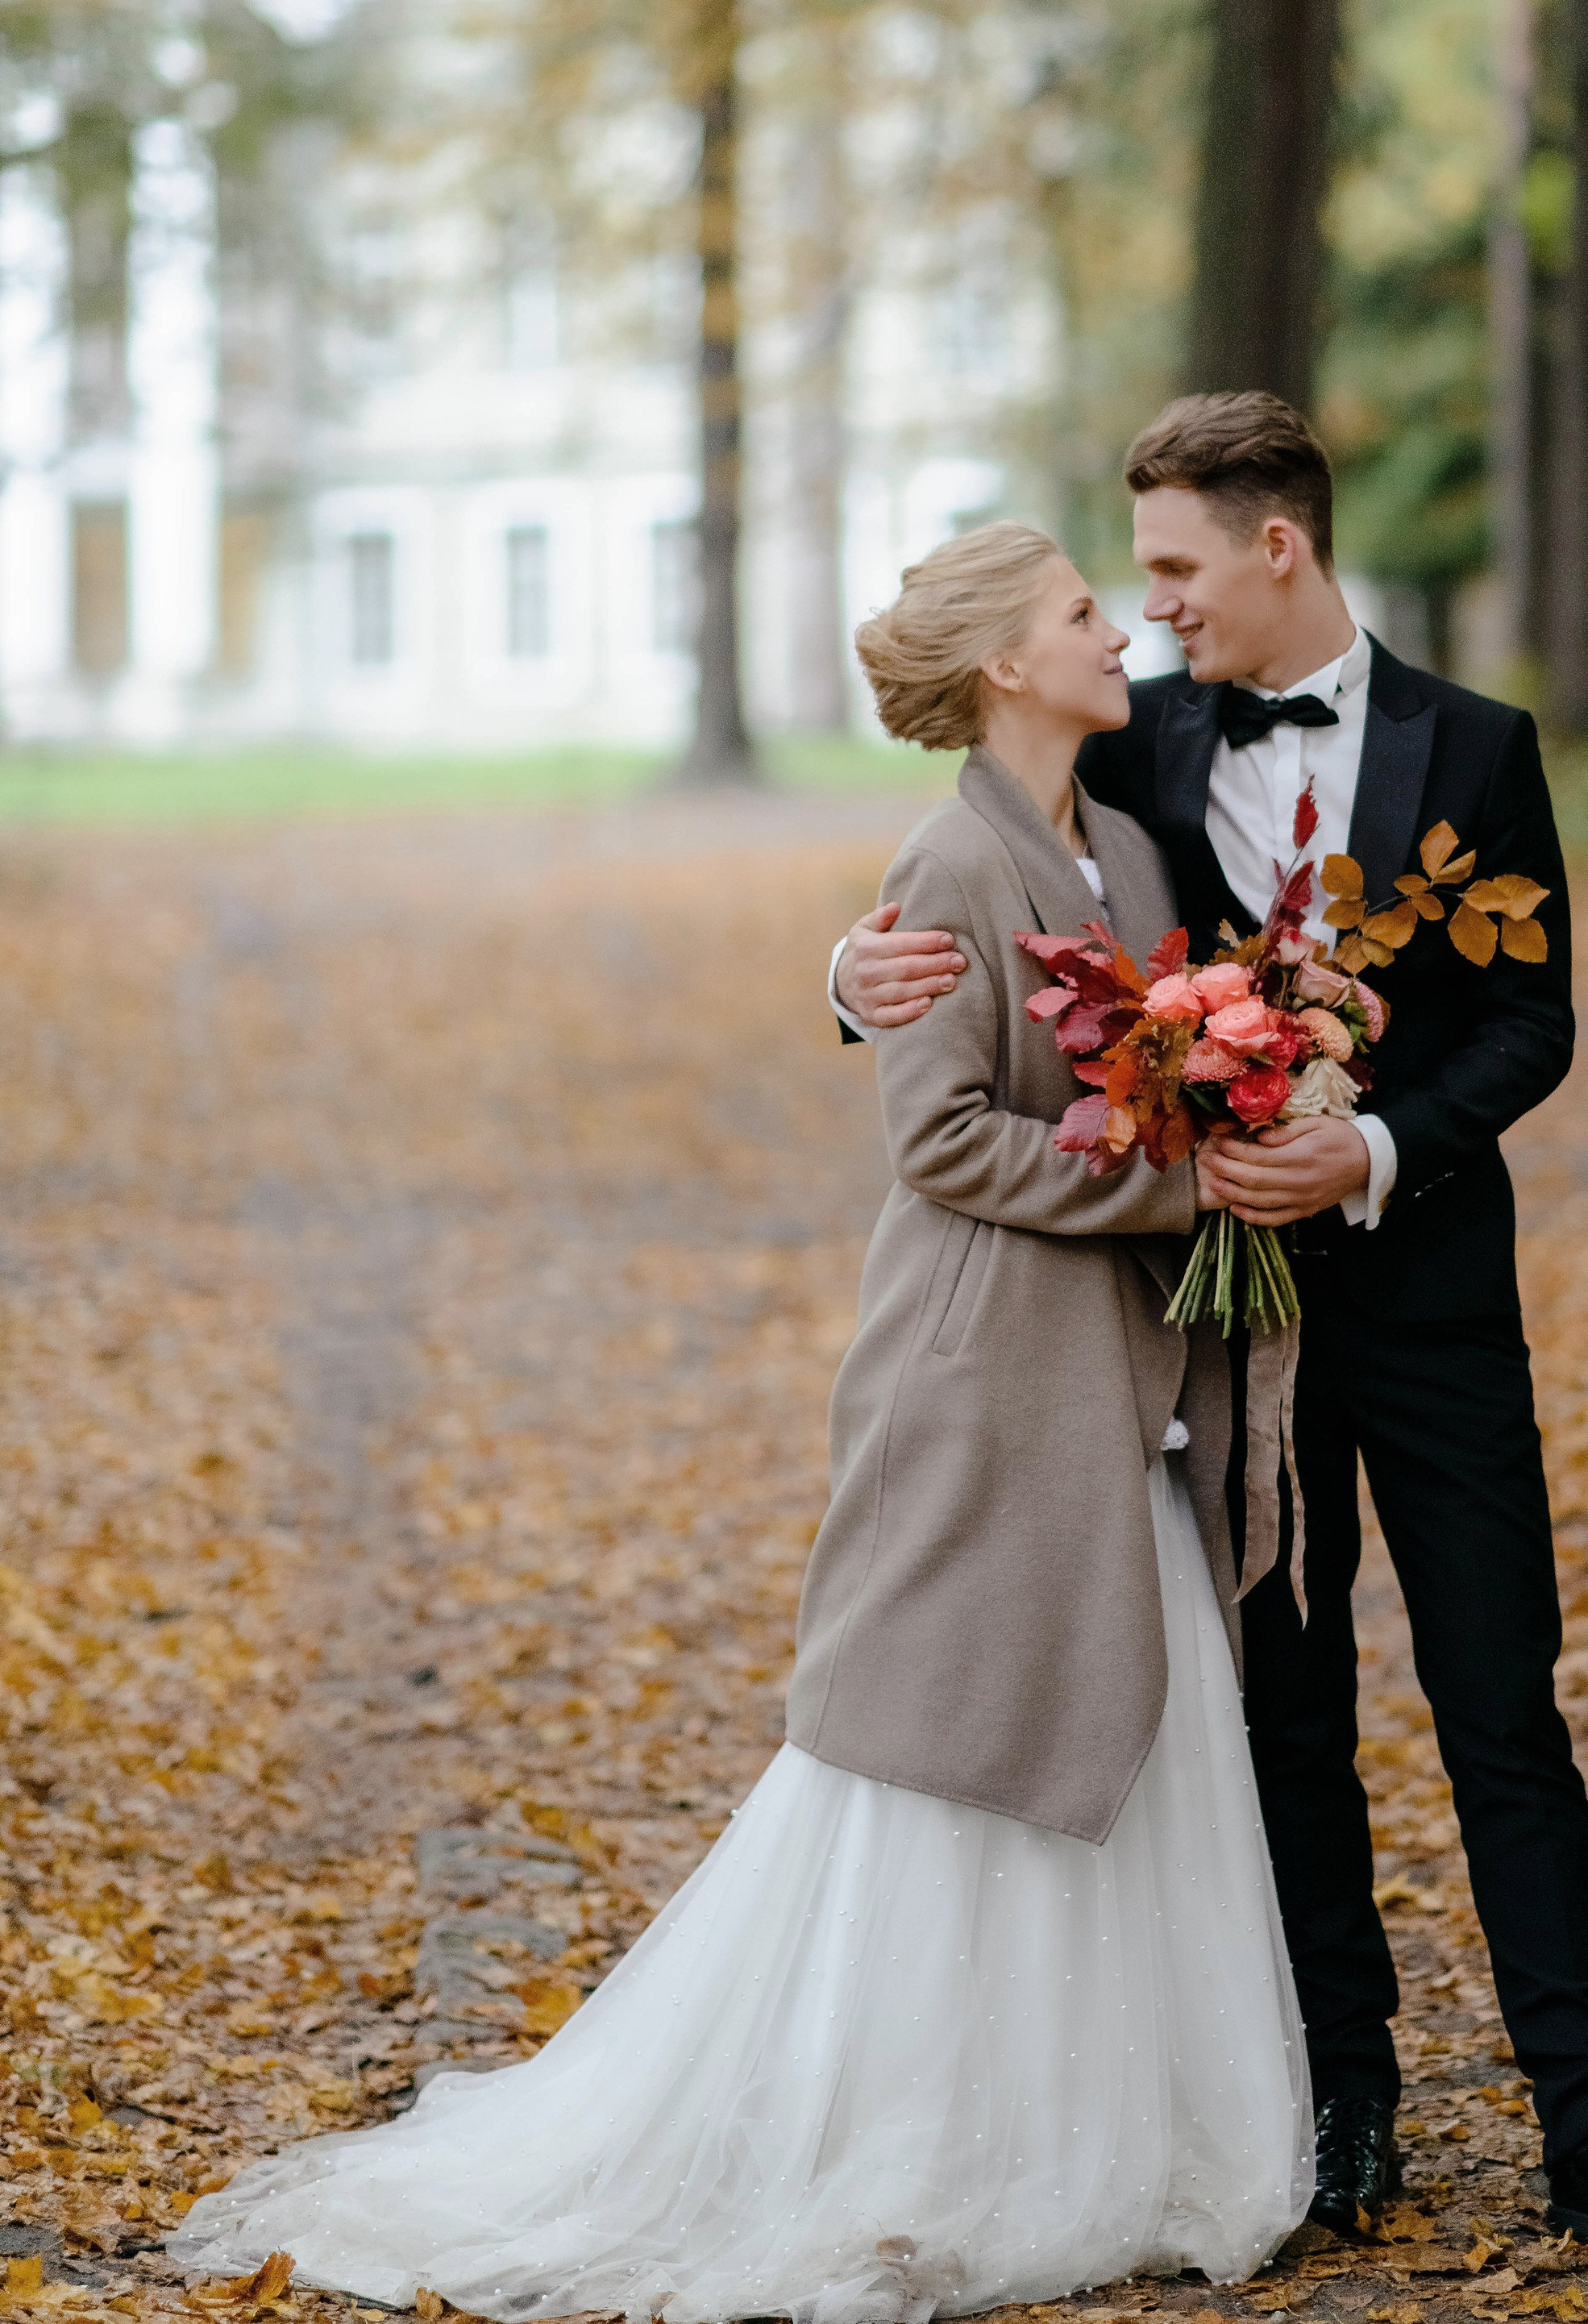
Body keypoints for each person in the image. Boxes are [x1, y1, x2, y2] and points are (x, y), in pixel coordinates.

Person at [173, 521, 1311, 2324]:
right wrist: (1186, 1184)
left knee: (1122, 1707)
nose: (1120, 635)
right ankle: (919, 2135)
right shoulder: (948, 859)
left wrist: (1237, 1110)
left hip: (1124, 1380)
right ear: (1005, 664)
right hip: (988, 1373)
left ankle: (1107, 2123)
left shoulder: (1135, 847)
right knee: (945, 1727)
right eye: (1084, 614)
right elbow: (940, 1140)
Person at [833, 398, 1588, 2275]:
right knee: (1281, 1713)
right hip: (1222, 1324)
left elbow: (1531, 1023)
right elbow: (984, 884)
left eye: (1173, 567)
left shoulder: (1477, 748)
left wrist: (1376, 1144)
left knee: (1499, 1703)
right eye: (1128, 583)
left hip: (1433, 1303)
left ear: (1277, 545)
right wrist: (843, 981)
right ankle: (1342, 2097)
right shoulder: (1134, 736)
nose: (1150, 609)